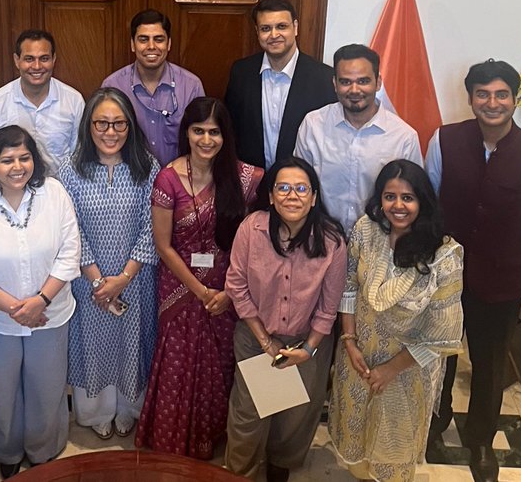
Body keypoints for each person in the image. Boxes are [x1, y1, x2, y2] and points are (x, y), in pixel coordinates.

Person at [427, 60, 521, 482]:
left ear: (514, 99)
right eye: (483, 94)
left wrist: (509, 243)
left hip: (503, 280)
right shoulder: (444, 140)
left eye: (501, 94)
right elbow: (430, 198)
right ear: (470, 98)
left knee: (488, 362)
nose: (492, 102)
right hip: (447, 276)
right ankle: (435, 419)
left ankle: (481, 439)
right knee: (440, 354)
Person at [136, 96, 262, 459]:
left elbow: (253, 239)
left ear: (226, 136)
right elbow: (163, 246)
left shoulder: (244, 178)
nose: (207, 140)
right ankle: (177, 439)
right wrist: (202, 291)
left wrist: (225, 291)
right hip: (180, 286)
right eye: (198, 131)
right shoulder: (168, 178)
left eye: (214, 132)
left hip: (229, 284)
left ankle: (215, 435)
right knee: (180, 364)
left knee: (221, 364)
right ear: (186, 133)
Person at [329, 159, 464, 482]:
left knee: (393, 450)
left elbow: (442, 334)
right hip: (357, 357)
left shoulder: (443, 255)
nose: (398, 206)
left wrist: (390, 370)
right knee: (356, 439)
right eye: (390, 197)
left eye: (408, 198)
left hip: (406, 370)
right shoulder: (367, 230)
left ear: (422, 201)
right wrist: (349, 341)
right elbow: (348, 285)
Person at [0, 126, 81, 478]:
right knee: (0, 388)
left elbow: (70, 252)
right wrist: (18, 308)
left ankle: (44, 450)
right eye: (7, 159)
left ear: (35, 160)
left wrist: (40, 301)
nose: (17, 166)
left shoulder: (54, 194)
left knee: (48, 386)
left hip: (51, 313)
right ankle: (6, 451)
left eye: (24, 157)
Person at [223, 157, 347, 481]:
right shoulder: (252, 229)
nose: (292, 195)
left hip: (307, 342)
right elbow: (235, 286)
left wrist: (309, 348)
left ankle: (279, 464)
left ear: (314, 197)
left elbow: (328, 307)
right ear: (271, 196)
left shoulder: (332, 241)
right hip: (256, 338)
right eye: (284, 188)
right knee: (248, 415)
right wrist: (265, 340)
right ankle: (241, 472)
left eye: (302, 188)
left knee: (295, 415)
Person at [58, 88, 160, 441]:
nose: (110, 131)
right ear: (89, 126)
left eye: (119, 124)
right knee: (94, 343)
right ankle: (96, 411)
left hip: (137, 277)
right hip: (90, 280)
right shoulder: (70, 171)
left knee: (133, 340)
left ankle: (131, 408)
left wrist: (124, 277)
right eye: (101, 123)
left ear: (130, 126)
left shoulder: (147, 167)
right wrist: (100, 280)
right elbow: (71, 230)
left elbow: (153, 227)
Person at [295, 44, 422, 231]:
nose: (354, 90)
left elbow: (413, 200)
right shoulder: (313, 125)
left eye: (363, 81)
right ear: (335, 84)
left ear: (378, 82)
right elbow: (298, 184)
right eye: (346, 82)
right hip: (322, 239)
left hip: (379, 244)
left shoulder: (404, 137)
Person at [225, 0, 335, 170]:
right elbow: (231, 130)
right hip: (251, 189)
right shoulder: (241, 73)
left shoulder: (324, 78)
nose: (274, 35)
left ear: (295, 27)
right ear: (257, 31)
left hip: (299, 188)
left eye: (281, 26)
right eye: (266, 28)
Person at [101, 9, 205, 166]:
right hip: (129, 182)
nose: (151, 46)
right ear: (132, 44)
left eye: (158, 39)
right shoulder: (113, 86)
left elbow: (202, 138)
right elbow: (103, 138)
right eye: (143, 39)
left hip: (178, 181)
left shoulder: (191, 86)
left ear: (168, 44)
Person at [0, 29, 86, 174]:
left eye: (44, 58)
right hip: (14, 189)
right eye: (29, 59)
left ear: (54, 59)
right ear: (16, 60)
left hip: (62, 190)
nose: (37, 66)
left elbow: (79, 154)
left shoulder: (74, 101)